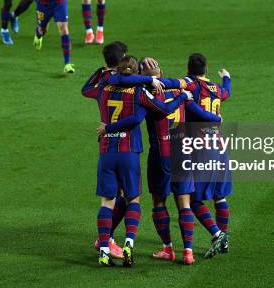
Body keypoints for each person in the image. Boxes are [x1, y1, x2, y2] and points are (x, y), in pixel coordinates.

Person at [101, 57, 222, 265]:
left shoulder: (147, 94)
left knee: (159, 202)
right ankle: (189, 252)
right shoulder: (180, 90)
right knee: (184, 202)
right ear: (162, 72)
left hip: (161, 155)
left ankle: (167, 248)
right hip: (183, 152)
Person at [94, 56, 190, 267]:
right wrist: (178, 94)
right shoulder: (140, 92)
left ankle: (103, 248)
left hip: (107, 151)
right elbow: (162, 110)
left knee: (107, 202)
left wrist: (108, 128)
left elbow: (87, 88)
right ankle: (129, 243)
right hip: (130, 152)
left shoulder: (105, 87)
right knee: (133, 200)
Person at [183, 53, 232, 258]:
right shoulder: (216, 89)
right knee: (219, 196)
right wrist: (227, 77)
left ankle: (218, 234)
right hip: (220, 145)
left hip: (204, 147)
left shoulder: (191, 86)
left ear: (188, 70)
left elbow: (185, 99)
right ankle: (225, 241)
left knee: (193, 200)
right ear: (207, 70)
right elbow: (227, 92)